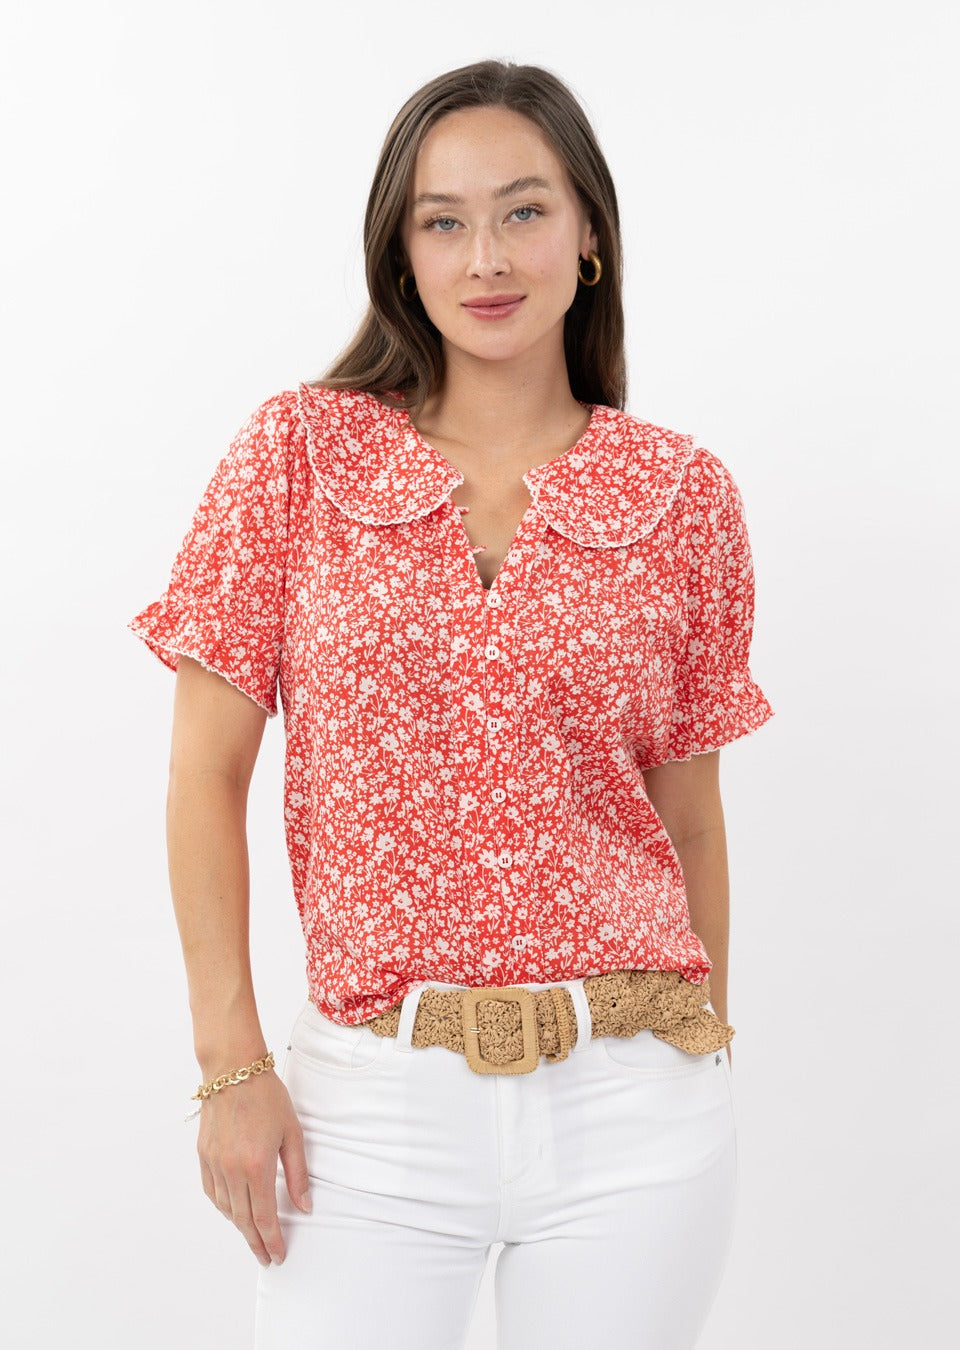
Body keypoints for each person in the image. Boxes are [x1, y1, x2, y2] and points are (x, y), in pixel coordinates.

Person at [130, 58, 774, 1350]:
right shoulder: (298, 457)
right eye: (444, 220)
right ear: (401, 250)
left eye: (525, 210)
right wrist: (230, 1063)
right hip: (366, 1110)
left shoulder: (682, 494)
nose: (487, 256)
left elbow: (691, 815)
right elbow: (206, 775)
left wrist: (700, 1048)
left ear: (588, 235)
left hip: (632, 1105)